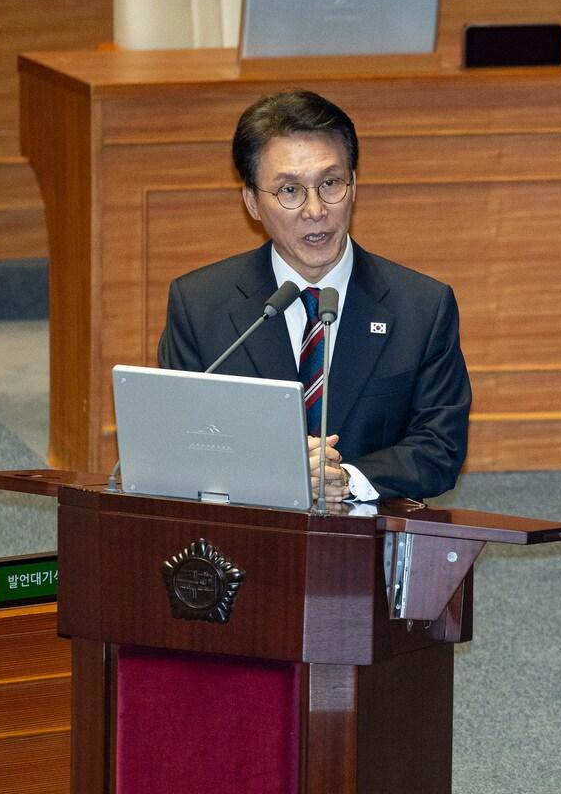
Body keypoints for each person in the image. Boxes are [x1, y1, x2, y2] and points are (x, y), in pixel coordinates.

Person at [158, 90, 470, 501]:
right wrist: (279, 470)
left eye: (330, 184)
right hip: (246, 528)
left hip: (370, 531)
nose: (315, 210)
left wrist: (346, 478)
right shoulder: (200, 305)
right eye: (290, 190)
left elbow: (440, 447)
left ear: (353, 186)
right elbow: (180, 443)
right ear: (252, 202)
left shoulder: (421, 307)